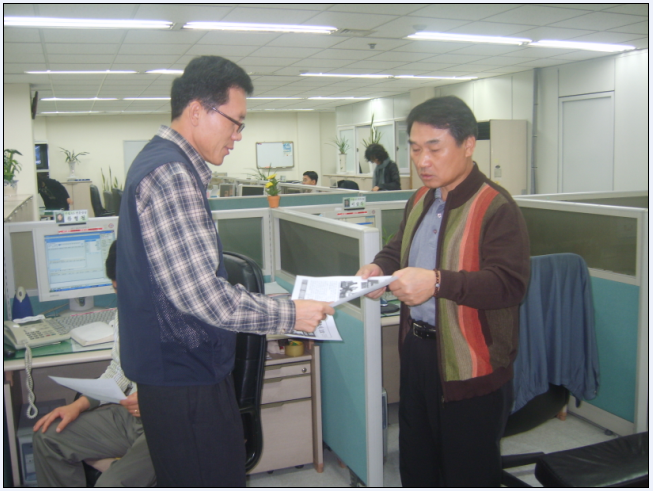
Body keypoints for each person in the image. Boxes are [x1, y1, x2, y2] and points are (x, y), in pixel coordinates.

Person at [116, 55, 333, 488]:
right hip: (187, 384)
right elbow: (203, 298)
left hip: (176, 378)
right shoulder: (172, 174)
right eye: (236, 123)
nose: (238, 136)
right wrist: (293, 313)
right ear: (198, 110)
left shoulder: (157, 162)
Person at [357, 96, 530, 487]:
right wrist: (379, 267)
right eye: (415, 149)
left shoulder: (496, 206)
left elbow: (509, 284)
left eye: (434, 149)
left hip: (471, 363)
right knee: (418, 465)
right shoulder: (420, 198)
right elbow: (398, 247)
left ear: (468, 145)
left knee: (467, 474)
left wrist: (437, 282)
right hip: (417, 353)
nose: (422, 161)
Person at [32, 241, 156, 487]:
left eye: (127, 287)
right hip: (131, 418)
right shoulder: (126, 313)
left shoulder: (181, 318)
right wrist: (78, 406)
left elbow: (196, 383)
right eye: (116, 288)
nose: (123, 296)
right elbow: (119, 371)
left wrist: (155, 399)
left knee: (109, 485)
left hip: (166, 425)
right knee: (48, 436)